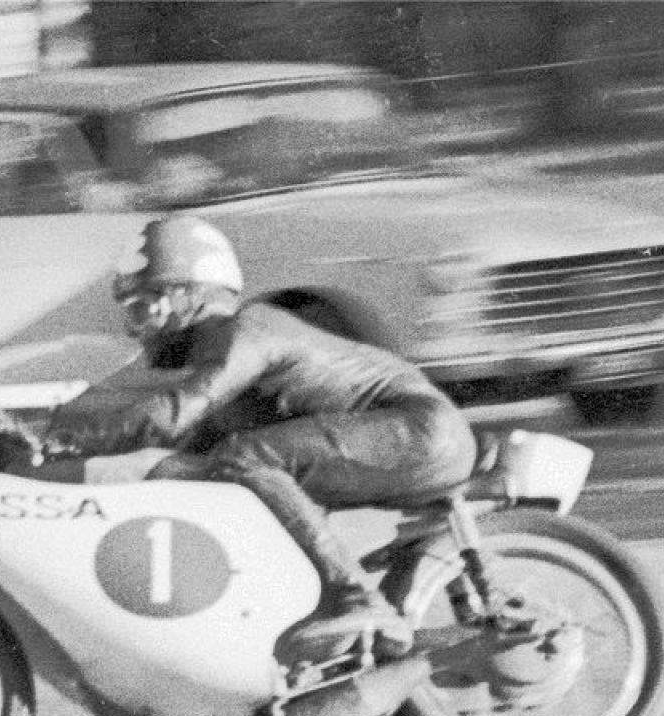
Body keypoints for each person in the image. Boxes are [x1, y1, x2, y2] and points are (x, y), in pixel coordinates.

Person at [43, 215, 478, 663]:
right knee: (213, 469)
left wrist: (60, 440)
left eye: (144, 305)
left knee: (244, 457)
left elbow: (173, 415)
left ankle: (354, 596)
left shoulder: (248, 331)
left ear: (187, 294)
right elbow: (170, 448)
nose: (136, 325)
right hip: (411, 437)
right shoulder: (216, 360)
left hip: (421, 432)